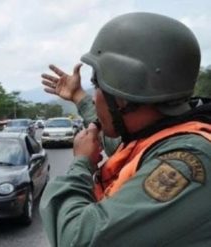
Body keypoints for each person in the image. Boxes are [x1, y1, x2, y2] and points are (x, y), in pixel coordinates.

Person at [39, 12, 211, 247]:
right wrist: (79, 98)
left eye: (96, 86)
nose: (94, 94)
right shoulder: (162, 134)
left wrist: (80, 164)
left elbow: (76, 238)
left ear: (123, 98)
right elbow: (119, 142)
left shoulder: (188, 160)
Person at [41, 63, 121, 156]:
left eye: (97, 87)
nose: (94, 99)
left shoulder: (140, 156)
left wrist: (82, 159)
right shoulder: (131, 143)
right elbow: (112, 143)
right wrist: (77, 95)